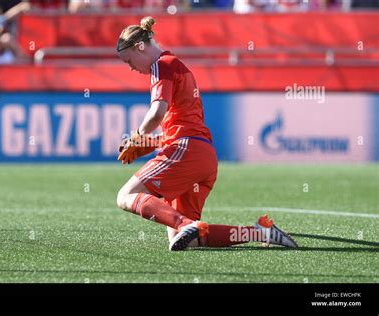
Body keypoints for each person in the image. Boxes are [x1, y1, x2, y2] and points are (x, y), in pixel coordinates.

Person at [115, 16, 298, 251]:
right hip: (202, 156)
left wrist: (137, 136)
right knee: (186, 239)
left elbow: (156, 113)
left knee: (125, 195)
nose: (130, 68)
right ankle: (260, 232)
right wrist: (150, 143)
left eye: (129, 61)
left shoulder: (161, 65)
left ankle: (184, 223)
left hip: (187, 151)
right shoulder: (178, 66)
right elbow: (180, 127)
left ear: (140, 47)